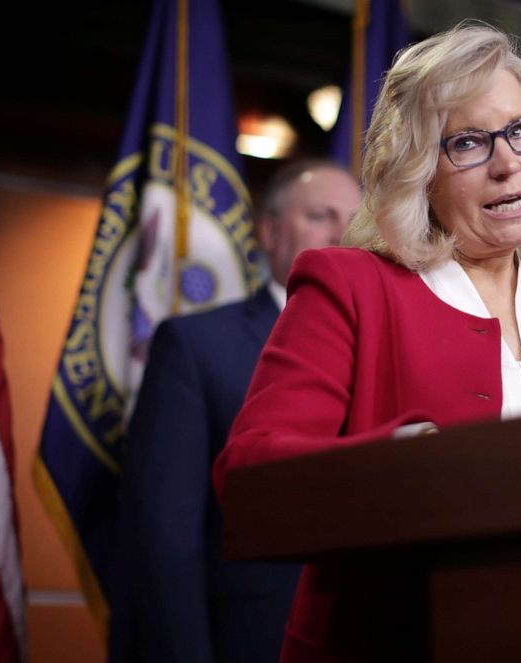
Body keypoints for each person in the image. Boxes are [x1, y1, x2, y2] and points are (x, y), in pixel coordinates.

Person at [212, 22, 521, 663]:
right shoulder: (353, 287)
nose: (507, 162)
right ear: (420, 171)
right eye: (468, 143)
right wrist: (408, 461)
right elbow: (250, 476)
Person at [110, 160, 362, 663]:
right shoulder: (196, 345)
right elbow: (166, 536)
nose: (342, 234)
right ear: (269, 232)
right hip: (250, 640)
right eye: (320, 216)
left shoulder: (383, 343)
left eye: (355, 221)